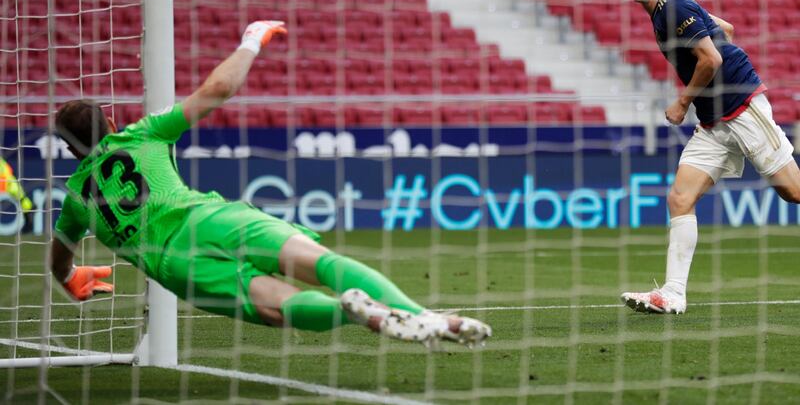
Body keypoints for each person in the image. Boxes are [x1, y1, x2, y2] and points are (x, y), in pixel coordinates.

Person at [49, 20, 491, 347]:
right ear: (110, 119)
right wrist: (252, 38)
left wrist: (72, 277)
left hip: (174, 262)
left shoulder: (75, 199)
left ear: (69, 152)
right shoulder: (142, 133)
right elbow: (218, 88)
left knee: (276, 306)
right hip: (207, 217)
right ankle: (425, 317)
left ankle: (364, 314)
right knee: (319, 261)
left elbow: (59, 263)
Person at [619, 0, 800, 314]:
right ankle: (673, 294)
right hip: (714, 121)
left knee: (793, 192)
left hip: (743, 108)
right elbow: (726, 30)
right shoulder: (664, 10)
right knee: (679, 199)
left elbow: (712, 57)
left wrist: (683, 101)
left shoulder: (674, 8)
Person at [0, 157, 33, 227]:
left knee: (22, 199)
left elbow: (7, 172)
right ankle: (29, 212)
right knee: (22, 198)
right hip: (9, 183)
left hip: (8, 184)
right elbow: (9, 171)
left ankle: (28, 214)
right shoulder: (2, 161)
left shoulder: (1, 162)